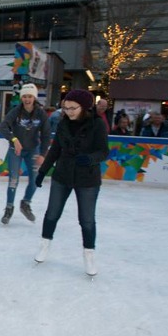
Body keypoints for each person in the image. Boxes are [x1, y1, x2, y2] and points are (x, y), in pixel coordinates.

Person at [34, 90, 109, 277]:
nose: (68, 111)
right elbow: (55, 150)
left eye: (72, 108)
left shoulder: (97, 125)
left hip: (88, 179)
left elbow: (103, 152)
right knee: (52, 212)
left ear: (84, 106)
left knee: (86, 219)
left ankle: (89, 254)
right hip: (63, 175)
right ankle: (44, 244)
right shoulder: (62, 124)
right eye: (66, 108)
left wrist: (90, 159)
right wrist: (43, 171)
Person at [0, 83, 51, 224]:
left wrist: (43, 154)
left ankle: (26, 203)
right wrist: (13, 139)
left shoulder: (41, 113)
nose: (27, 99)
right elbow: (2, 127)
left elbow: (46, 135)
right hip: (16, 150)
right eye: (25, 96)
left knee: (35, 180)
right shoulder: (16, 111)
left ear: (34, 97)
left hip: (33, 149)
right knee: (13, 179)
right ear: (22, 98)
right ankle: (9, 207)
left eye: (30, 96)